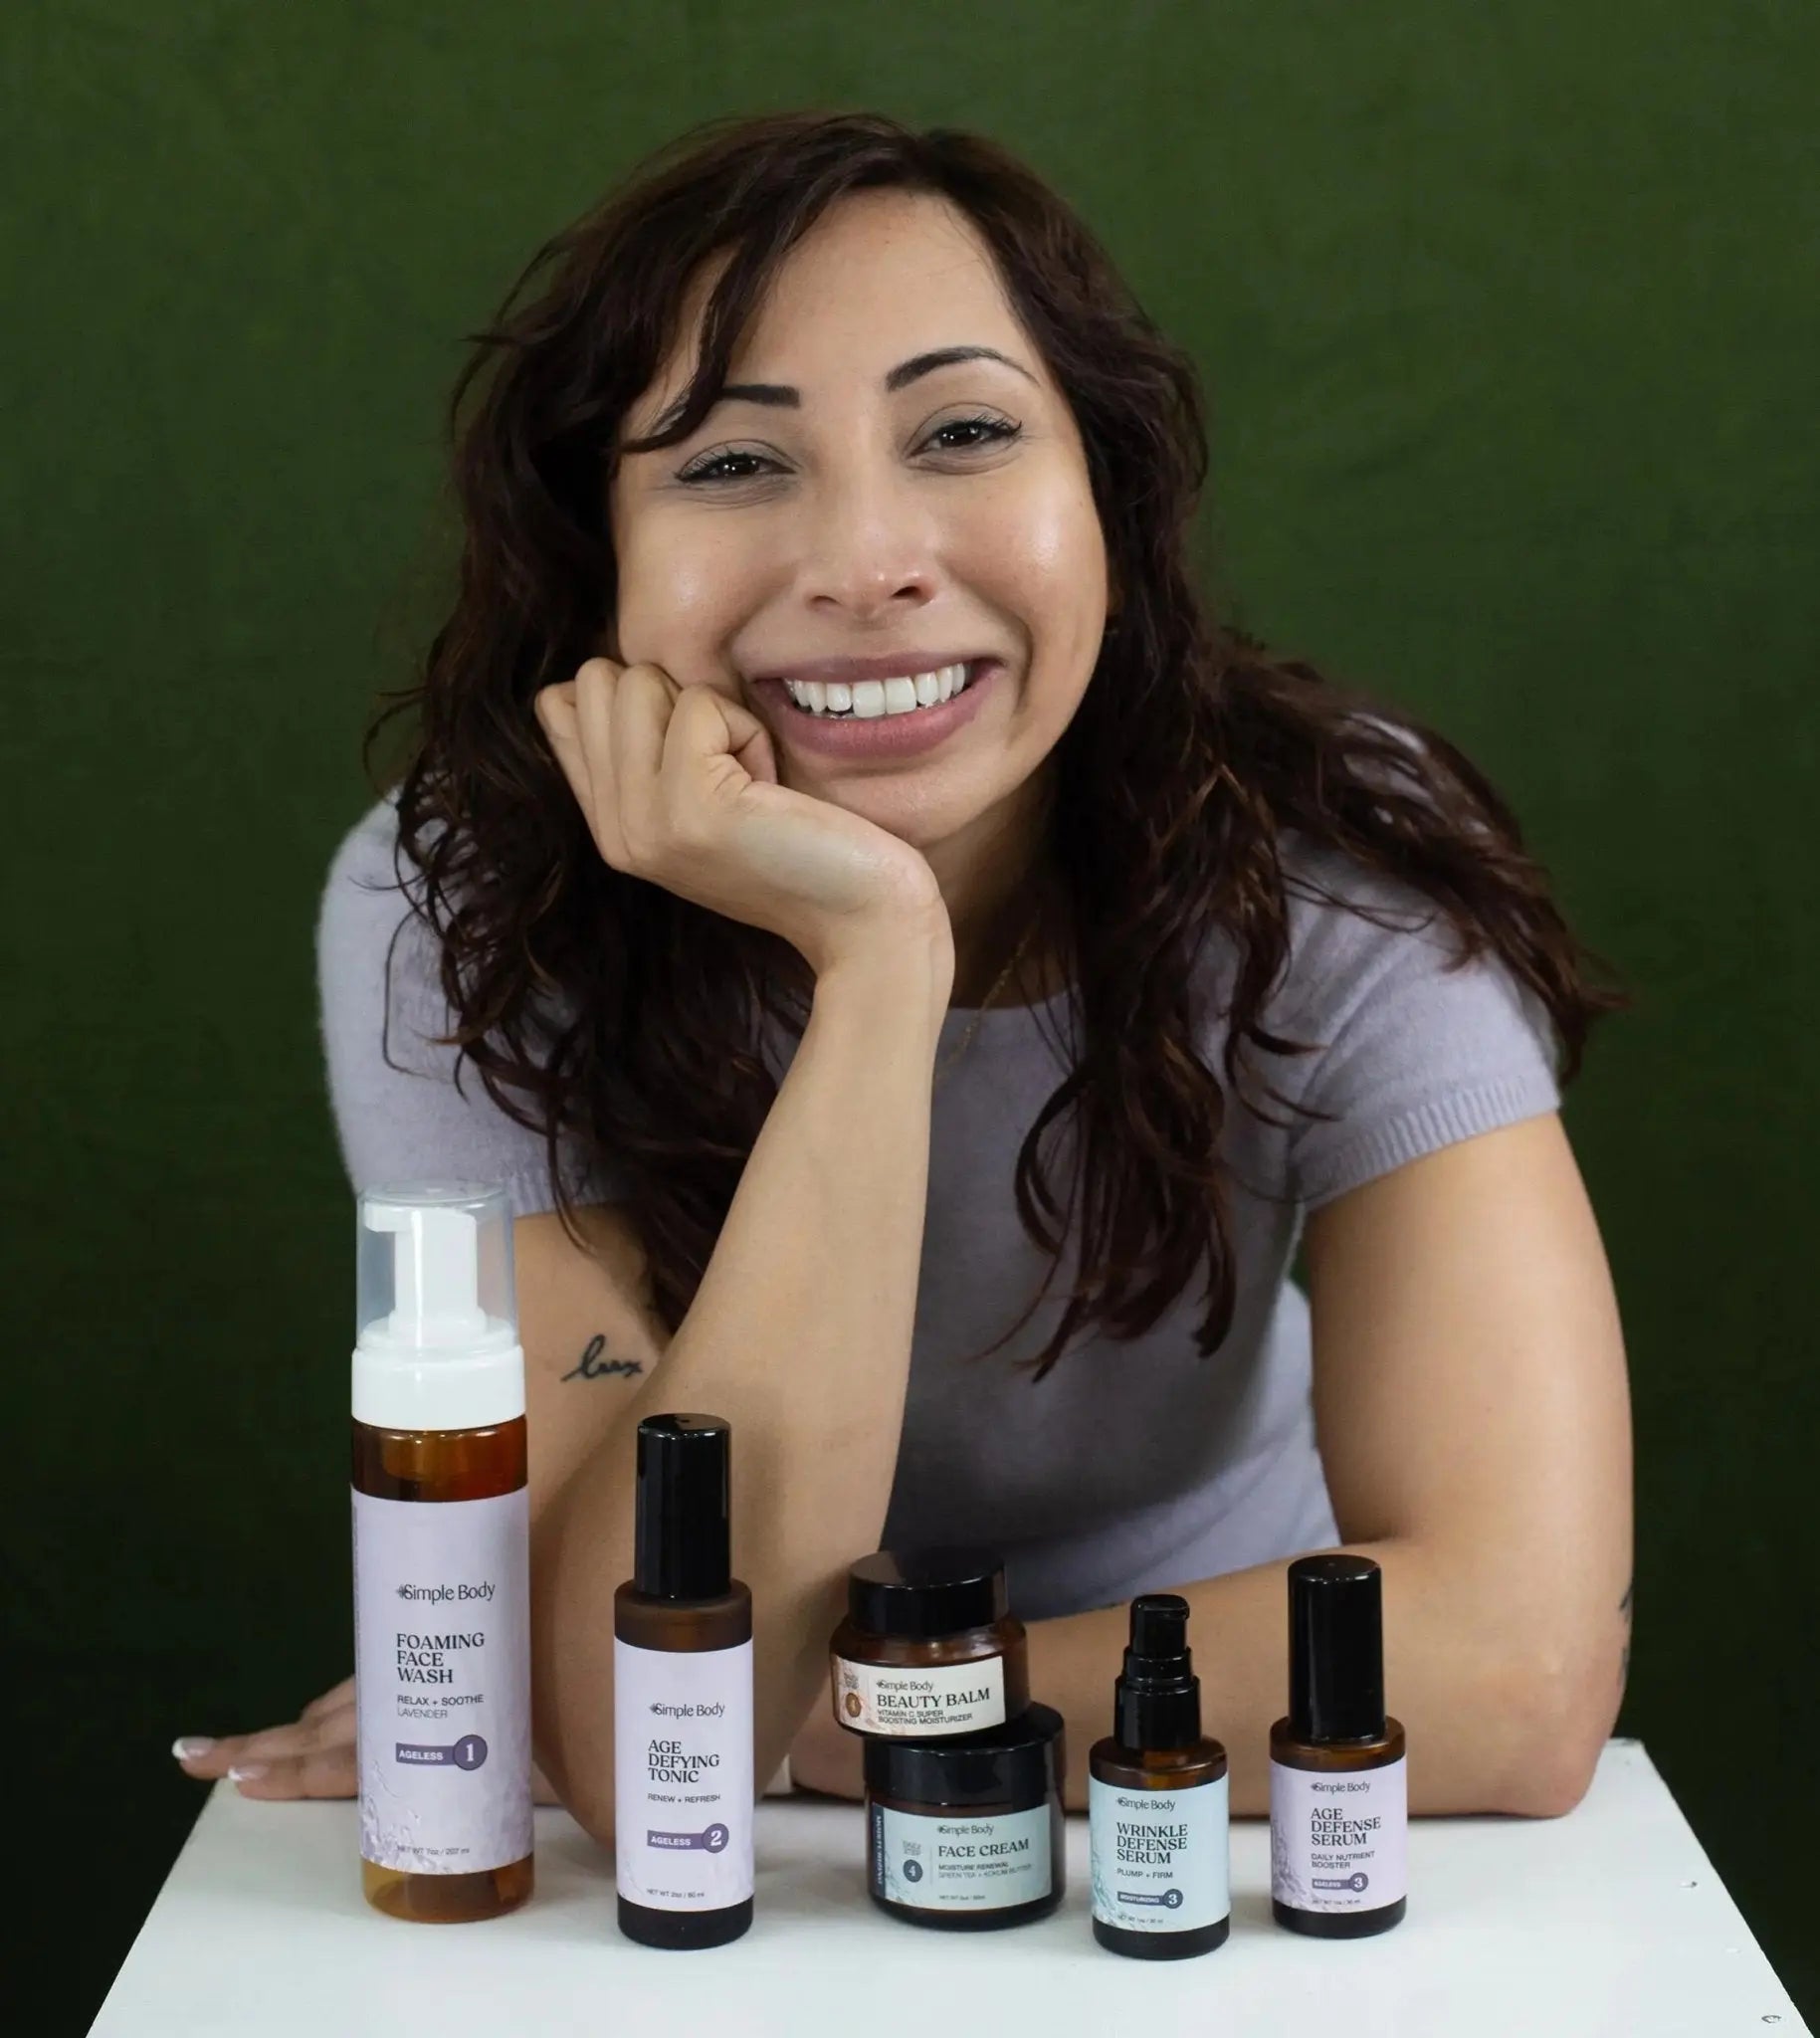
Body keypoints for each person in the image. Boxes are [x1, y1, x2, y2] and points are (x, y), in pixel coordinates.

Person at [174, 110, 1632, 1833]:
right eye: (729, 463)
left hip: (1214, 1809)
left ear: (1108, 495)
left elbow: (1518, 1681)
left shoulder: (1336, 854)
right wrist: (873, 963)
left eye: (962, 431)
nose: (867, 564)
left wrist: (811, 1722)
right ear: (599, 556)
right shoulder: (462, 904)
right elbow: (630, 1731)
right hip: (782, 1864)